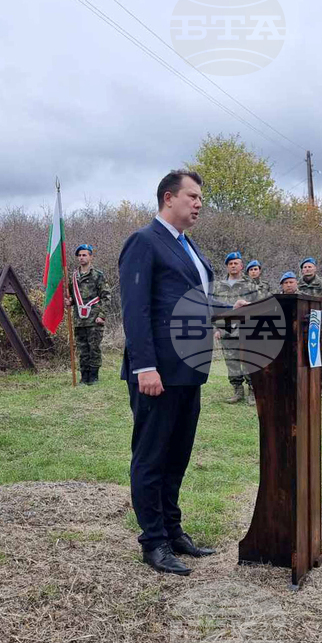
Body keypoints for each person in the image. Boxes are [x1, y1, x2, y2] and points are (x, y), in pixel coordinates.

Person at [118, 169, 218, 576]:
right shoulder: (145, 242)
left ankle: (174, 532)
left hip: (188, 369)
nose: (198, 204)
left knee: (177, 455)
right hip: (157, 372)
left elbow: (196, 302)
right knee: (152, 457)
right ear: (167, 198)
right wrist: (145, 366)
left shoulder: (188, 246)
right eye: (192, 196)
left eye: (200, 198)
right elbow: (135, 309)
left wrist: (234, 310)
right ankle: (153, 541)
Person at [213, 252, 261, 405]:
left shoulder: (250, 285)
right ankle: (237, 389)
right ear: (227, 267)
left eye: (236, 263)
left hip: (247, 328)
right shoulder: (219, 287)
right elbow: (214, 308)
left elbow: (260, 307)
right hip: (227, 328)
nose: (233, 266)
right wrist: (216, 328)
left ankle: (252, 391)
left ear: (241, 266)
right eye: (230, 264)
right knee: (231, 360)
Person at [65, 244, 111, 385]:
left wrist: (101, 316)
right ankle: (84, 377)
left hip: (94, 318)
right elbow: (73, 297)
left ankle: (94, 377)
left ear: (91, 256)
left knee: (94, 348)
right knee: (82, 349)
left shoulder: (98, 275)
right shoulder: (73, 277)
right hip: (79, 319)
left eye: (84, 255)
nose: (81, 258)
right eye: (79, 255)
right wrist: (69, 301)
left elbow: (106, 296)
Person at [298, 257, 322, 390]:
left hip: (317, 324)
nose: (307, 269)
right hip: (301, 325)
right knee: (301, 354)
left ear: (315, 268)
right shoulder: (297, 283)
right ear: (301, 270)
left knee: (319, 355)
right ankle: (303, 382)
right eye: (305, 267)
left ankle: (320, 384)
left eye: (310, 266)